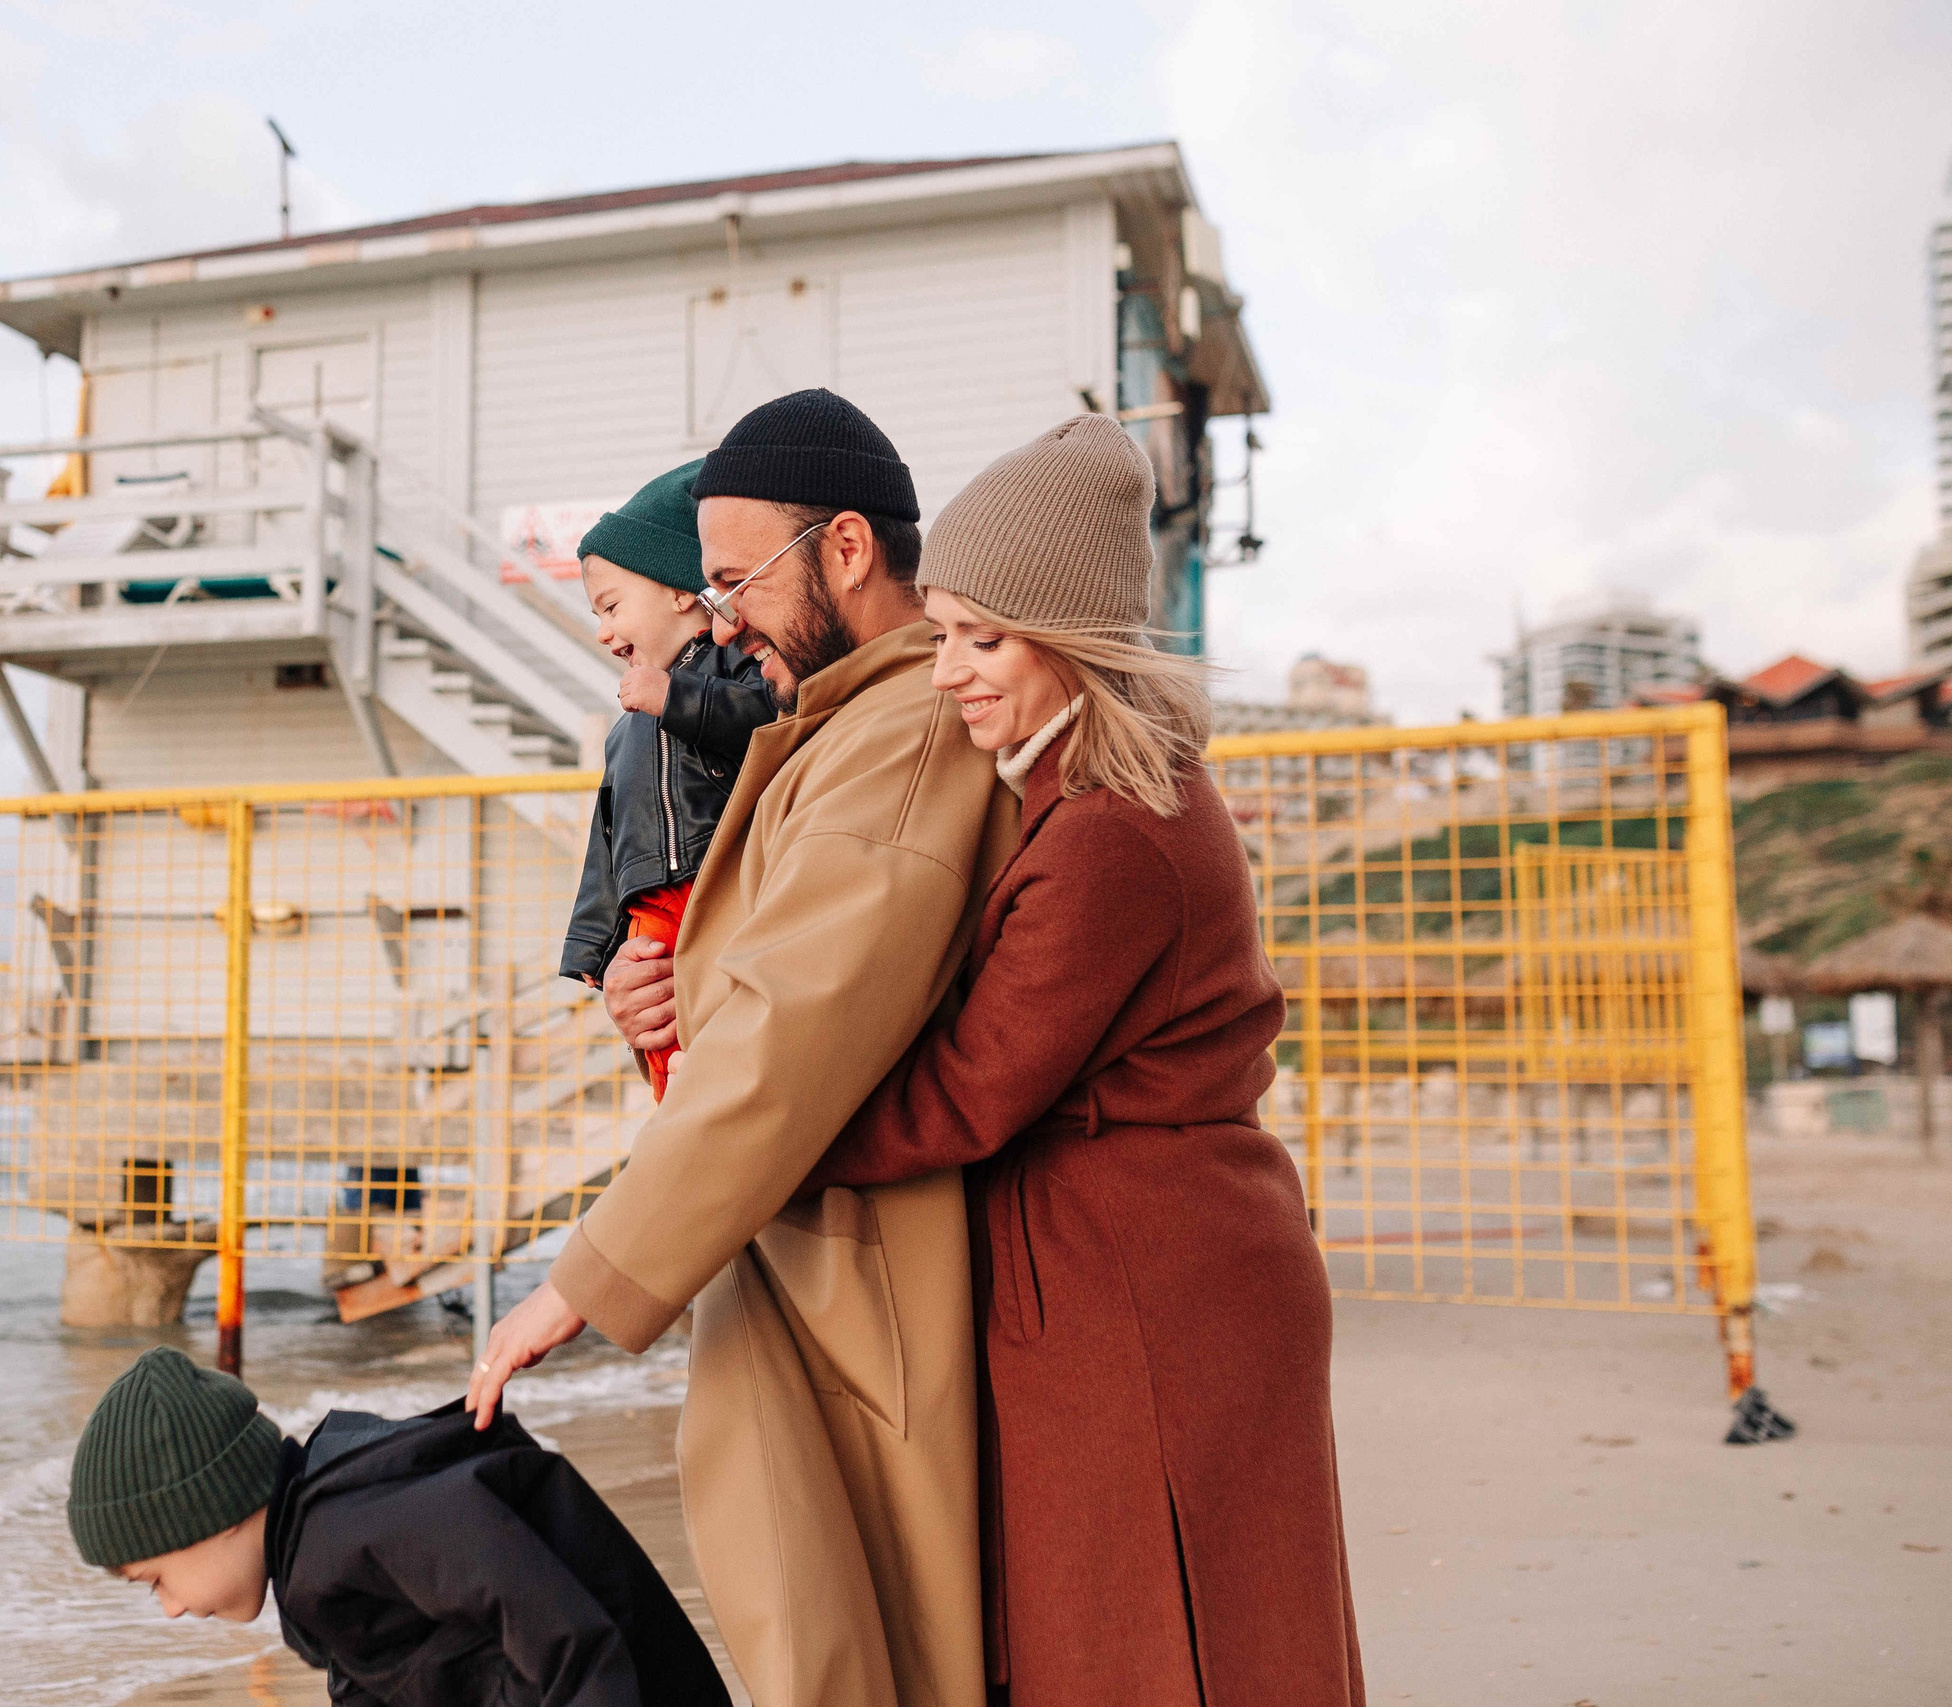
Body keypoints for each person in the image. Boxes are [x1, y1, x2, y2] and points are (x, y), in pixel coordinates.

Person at [796, 416, 1365, 1704]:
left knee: (1146, 1644)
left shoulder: (1111, 830)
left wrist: (761, 1150)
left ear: (1074, 638)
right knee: (1183, 1634)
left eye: (979, 638)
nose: (947, 672)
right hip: (1155, 1258)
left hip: (1145, 1283)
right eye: (938, 632)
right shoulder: (1082, 787)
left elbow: (965, 1092)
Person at [469, 389, 1016, 1707]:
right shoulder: (832, 720)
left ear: (841, 550)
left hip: (852, 1284)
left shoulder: (898, 734)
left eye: (730, 580)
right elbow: (765, 975)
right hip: (805, 1258)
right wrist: (652, 987)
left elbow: (791, 1028)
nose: (713, 616)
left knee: (851, 1638)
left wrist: (584, 1275)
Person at [69, 1346, 728, 1707]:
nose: (172, 1608)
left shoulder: (355, 1525)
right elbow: (374, 1680)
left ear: (211, 1512)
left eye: (156, 1577)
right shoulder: (314, 1553)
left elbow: (563, 1630)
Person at [560, 458, 779, 1099]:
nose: (603, 631)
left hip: (720, 896)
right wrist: (596, 950)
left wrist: (677, 696)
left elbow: (767, 724)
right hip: (651, 916)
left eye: (611, 605)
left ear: (679, 590)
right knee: (665, 1052)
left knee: (715, 1056)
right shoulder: (627, 726)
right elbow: (609, 839)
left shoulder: (742, 665)